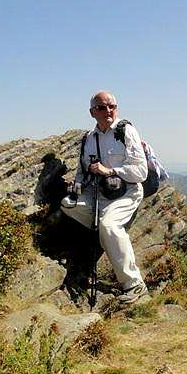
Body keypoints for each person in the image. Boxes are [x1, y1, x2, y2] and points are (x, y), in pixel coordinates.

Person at [61, 90, 149, 303]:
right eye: (102, 107)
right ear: (92, 112)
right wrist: (78, 186)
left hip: (126, 192)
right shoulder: (89, 139)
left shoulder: (125, 131)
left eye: (112, 106)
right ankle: (106, 234)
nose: (108, 111)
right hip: (97, 192)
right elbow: (83, 170)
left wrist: (110, 171)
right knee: (67, 205)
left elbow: (141, 172)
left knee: (109, 226)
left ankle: (134, 284)